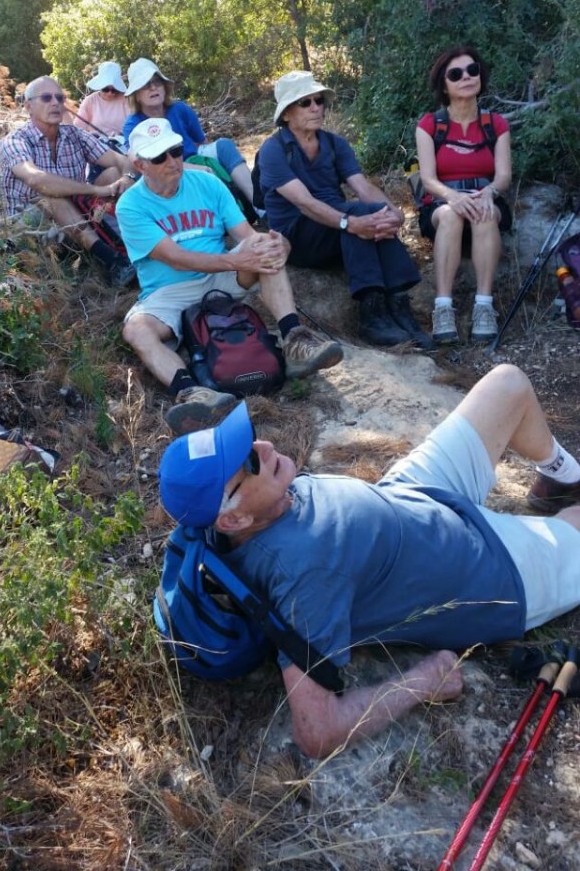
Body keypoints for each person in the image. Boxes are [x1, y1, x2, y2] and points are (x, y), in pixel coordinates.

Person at [158, 363, 580, 757]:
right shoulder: (306, 574)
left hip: (415, 493)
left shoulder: (250, 513)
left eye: (249, 439)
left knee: (508, 385)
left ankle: (565, 478)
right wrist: (421, 682)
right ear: (234, 518)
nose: (265, 448)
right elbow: (316, 730)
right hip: (489, 570)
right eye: (249, 462)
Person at [115, 116, 344, 435]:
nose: (173, 161)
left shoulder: (208, 184)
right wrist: (239, 257)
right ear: (140, 165)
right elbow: (177, 259)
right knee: (136, 330)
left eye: (176, 150)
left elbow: (246, 235)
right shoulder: (130, 206)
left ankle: (294, 339)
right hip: (168, 291)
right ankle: (192, 391)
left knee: (265, 245)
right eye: (160, 156)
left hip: (219, 278)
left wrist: (278, 245)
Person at [257, 70, 430, 348]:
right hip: (298, 234)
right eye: (305, 102)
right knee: (359, 216)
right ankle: (371, 314)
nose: (316, 107)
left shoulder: (335, 144)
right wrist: (349, 223)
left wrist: (392, 212)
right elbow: (305, 202)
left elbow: (362, 187)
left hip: (335, 229)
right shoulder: (273, 151)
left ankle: (400, 308)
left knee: (371, 212)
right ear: (286, 114)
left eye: (319, 100)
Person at [415, 45, 512, 344]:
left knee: (484, 214)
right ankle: (443, 308)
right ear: (443, 85)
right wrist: (453, 197)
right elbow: (428, 179)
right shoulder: (430, 125)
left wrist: (488, 193)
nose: (467, 77)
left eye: (473, 70)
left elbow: (504, 175)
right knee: (451, 215)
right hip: (442, 203)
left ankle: (484, 307)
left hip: (485, 196)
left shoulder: (496, 124)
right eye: (455, 74)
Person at [0, 76, 136, 285]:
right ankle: (111, 261)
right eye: (46, 98)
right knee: (50, 197)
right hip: (30, 229)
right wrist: (96, 191)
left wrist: (127, 177)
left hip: (73, 219)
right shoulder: (16, 140)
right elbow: (36, 179)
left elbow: (120, 159)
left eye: (60, 98)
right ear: (28, 107)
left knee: (112, 174)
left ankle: (132, 243)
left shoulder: (74, 134)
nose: (55, 103)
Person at [122, 57, 257, 210]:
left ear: (165, 87)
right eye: (145, 85)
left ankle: (258, 205)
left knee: (224, 145)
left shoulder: (180, 108)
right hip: (162, 168)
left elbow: (201, 142)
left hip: (191, 156)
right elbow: (136, 159)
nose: (153, 87)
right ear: (136, 95)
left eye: (157, 82)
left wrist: (206, 163)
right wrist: (191, 167)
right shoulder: (133, 124)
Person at [73, 60, 130, 139]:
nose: (110, 93)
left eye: (114, 90)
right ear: (100, 86)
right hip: (97, 145)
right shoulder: (90, 101)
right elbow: (78, 127)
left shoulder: (126, 99)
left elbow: (134, 123)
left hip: (124, 143)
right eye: (105, 89)